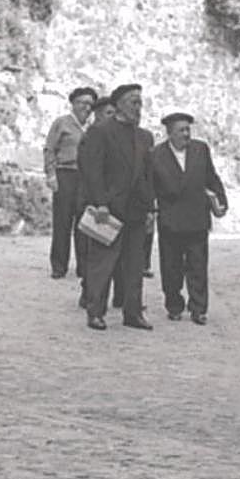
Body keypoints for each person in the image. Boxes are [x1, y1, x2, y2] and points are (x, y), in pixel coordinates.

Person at [78, 83, 156, 331]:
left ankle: (133, 312)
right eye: (134, 102)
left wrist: (150, 209)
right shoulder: (100, 132)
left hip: (136, 209)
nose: (138, 107)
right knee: (102, 263)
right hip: (109, 209)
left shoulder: (145, 137)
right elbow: (92, 170)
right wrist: (99, 202)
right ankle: (95, 312)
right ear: (119, 105)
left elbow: (148, 176)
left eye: (140, 102)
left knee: (134, 265)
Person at [151, 112, 228, 325]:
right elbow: (150, 186)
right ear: (170, 133)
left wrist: (221, 201)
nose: (186, 134)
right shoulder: (156, 155)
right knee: (171, 266)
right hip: (170, 219)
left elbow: (211, 178)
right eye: (181, 130)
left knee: (198, 265)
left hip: (197, 217)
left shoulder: (200, 150)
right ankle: (174, 305)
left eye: (188, 129)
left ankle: (199, 308)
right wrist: (150, 210)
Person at [44, 86, 97, 279]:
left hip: (86, 178)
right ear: (73, 103)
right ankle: (59, 266)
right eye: (82, 103)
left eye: (90, 104)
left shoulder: (93, 128)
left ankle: (84, 267)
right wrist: (51, 174)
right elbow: (50, 149)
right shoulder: (62, 123)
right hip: (65, 174)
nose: (86, 107)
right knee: (62, 222)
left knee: (84, 224)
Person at [76, 94, 113, 310]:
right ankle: (89, 293)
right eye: (108, 113)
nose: (113, 117)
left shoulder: (115, 136)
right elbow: (90, 173)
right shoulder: (91, 137)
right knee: (94, 251)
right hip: (91, 200)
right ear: (98, 115)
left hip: (110, 200)